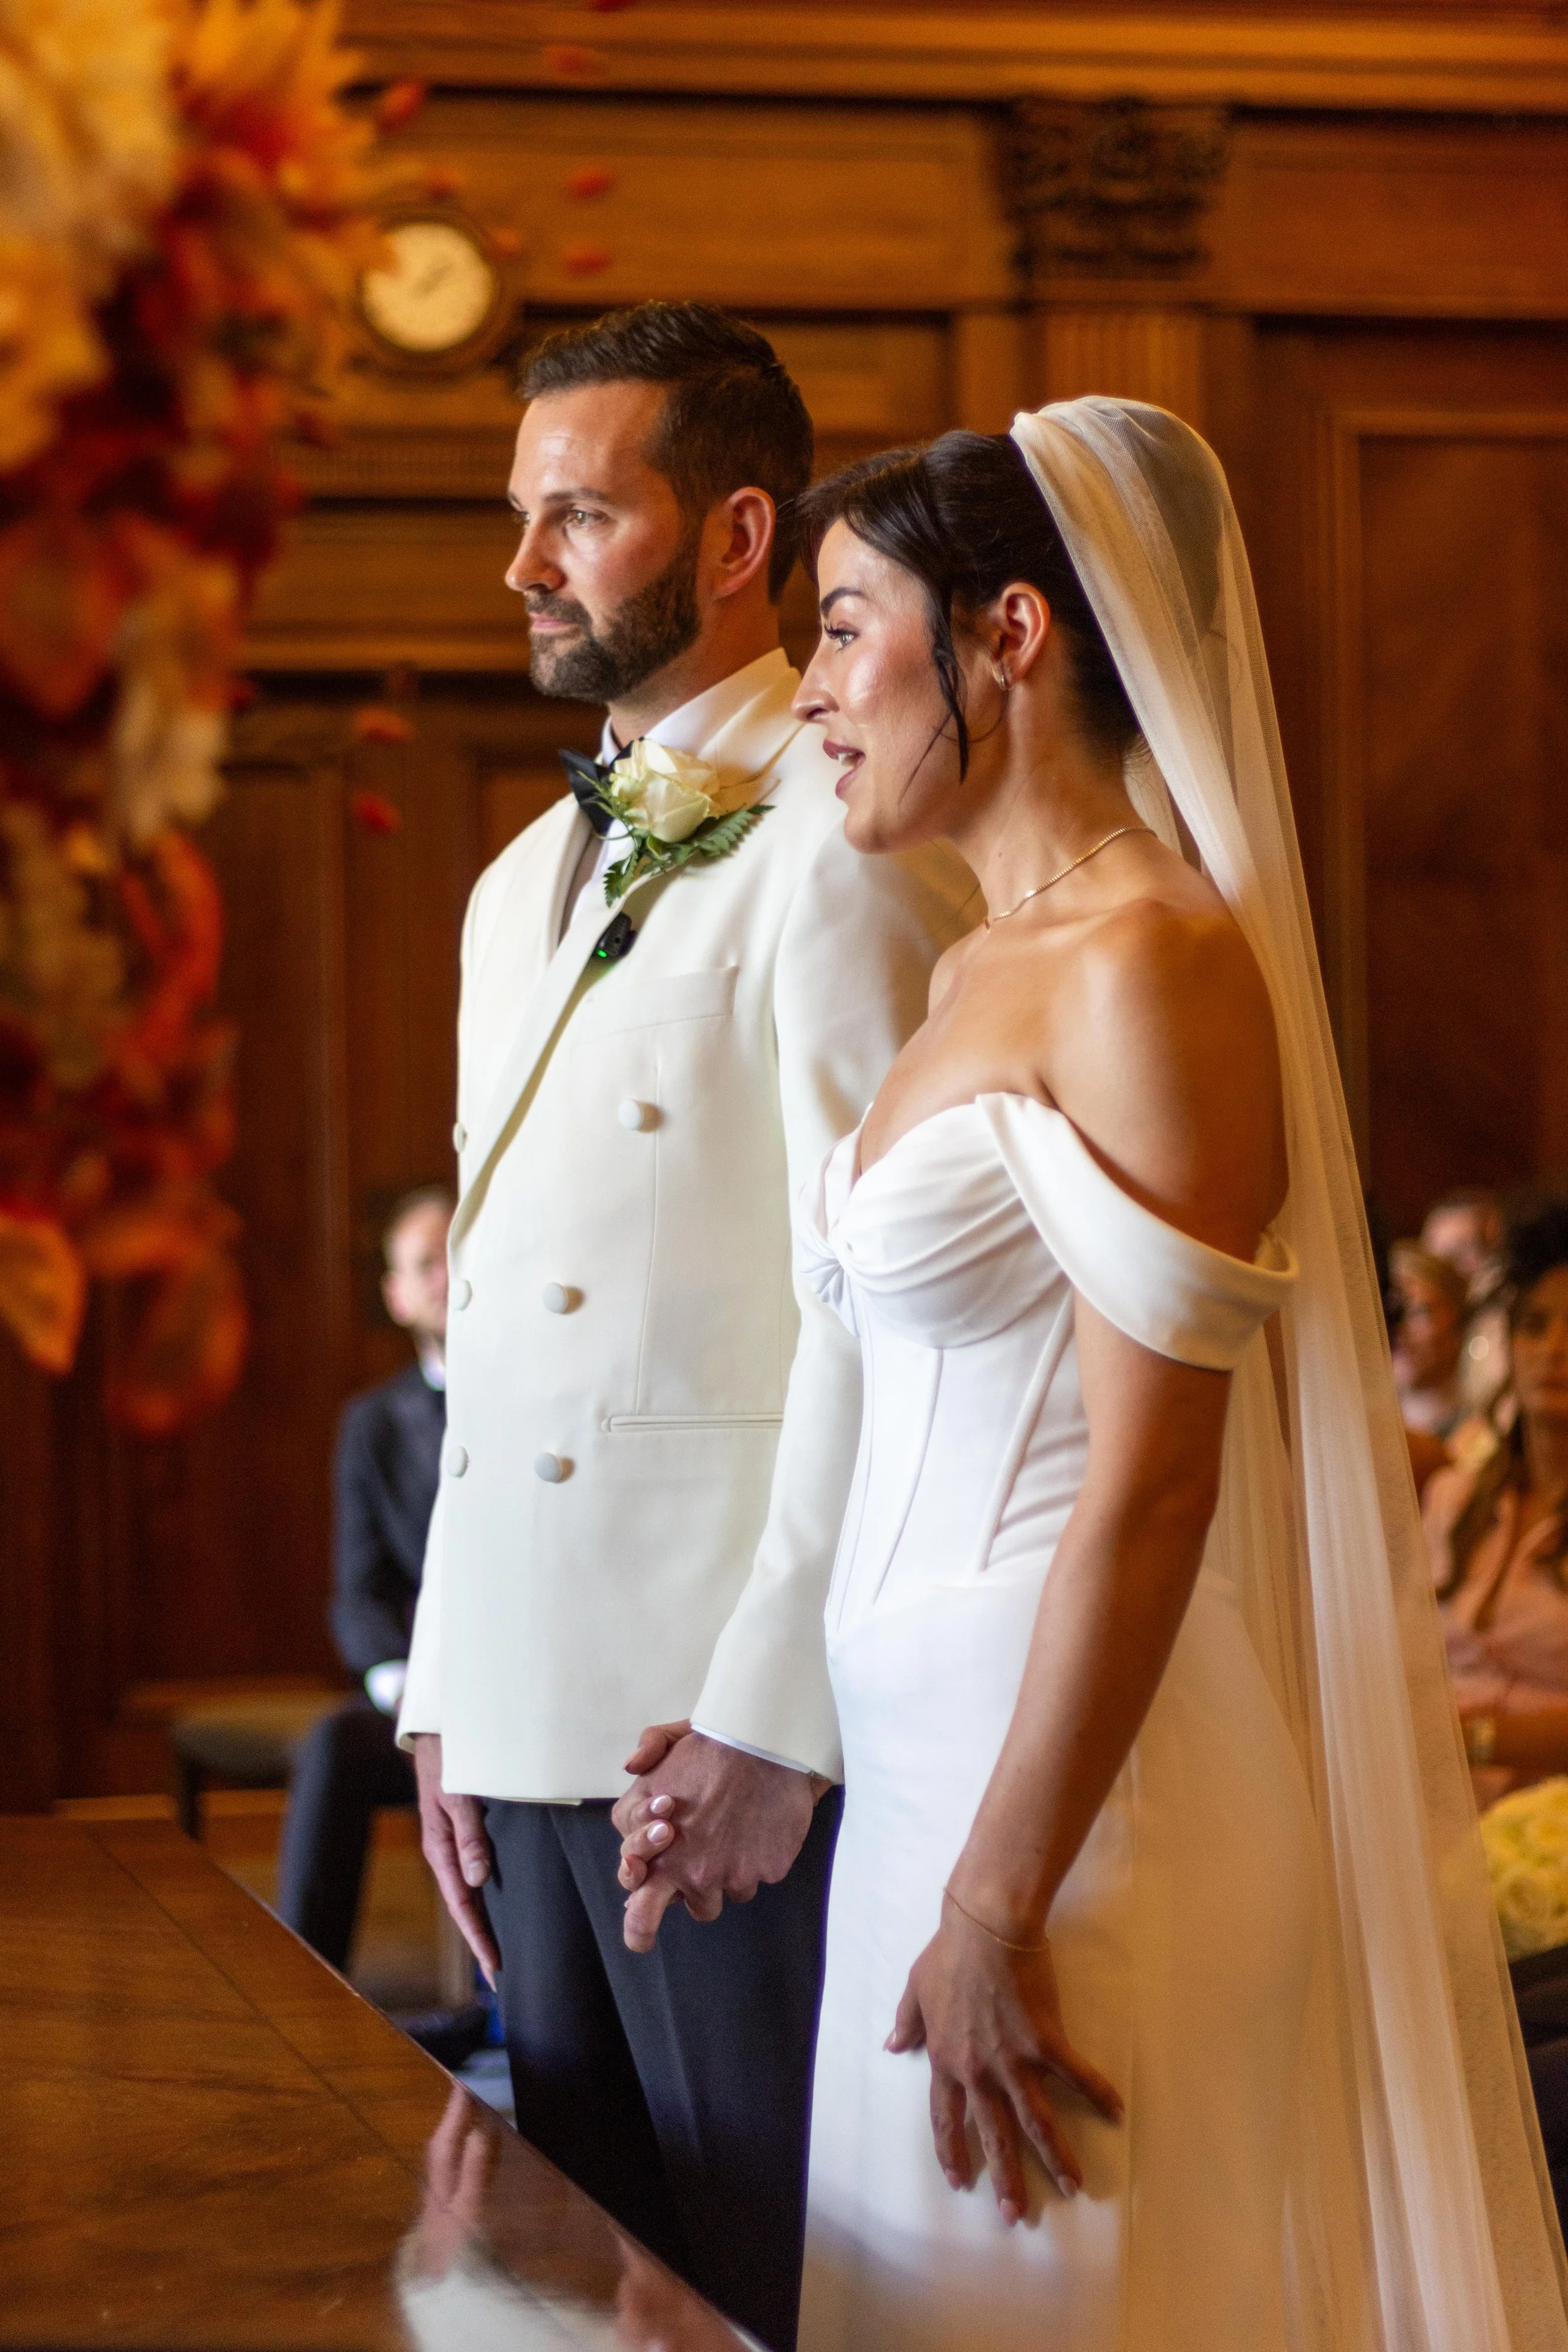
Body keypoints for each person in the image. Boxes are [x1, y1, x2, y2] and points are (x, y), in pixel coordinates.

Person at [619, 408, 1568, 2348]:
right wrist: (783, 1749)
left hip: (1082, 1806)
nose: (804, 692)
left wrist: (993, 1895)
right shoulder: (984, 961)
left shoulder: (1150, 959)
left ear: (1011, 634)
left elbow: (1146, 1484)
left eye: (843, 628)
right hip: (929, 1781)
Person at [398, 302, 976, 2352]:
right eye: (522, 518)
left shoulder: (855, 850)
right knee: (573, 2291)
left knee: (748, 2282)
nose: (528, 564)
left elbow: (871, 1309)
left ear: (739, 533)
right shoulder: (506, 885)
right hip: (533, 1701)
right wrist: (447, 1679)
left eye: (581, 515)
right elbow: (495, 1318)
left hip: (723, 1731)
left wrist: (768, 1719)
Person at [276, 1187, 451, 1974]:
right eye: (422, 1264)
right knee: (337, 1745)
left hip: (543, 1685)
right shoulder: (374, 1423)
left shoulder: (552, 1401)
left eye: (455, 1251)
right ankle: (304, 1991)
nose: (444, 1276)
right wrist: (410, 1696)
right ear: (397, 1295)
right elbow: (360, 1589)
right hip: (425, 1693)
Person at [1429, 1192, 1568, 1808]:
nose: (1554, 1349)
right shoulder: (1458, 1497)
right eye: (1534, 1325)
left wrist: (1470, 1741)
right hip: (1435, 1800)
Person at [1390, 1237, 1471, 1439]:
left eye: (1418, 1312)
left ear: (1458, 1318)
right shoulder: (1364, 1429)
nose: (1399, 1331)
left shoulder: (1487, 1423)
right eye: (1391, 1314)